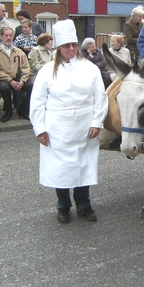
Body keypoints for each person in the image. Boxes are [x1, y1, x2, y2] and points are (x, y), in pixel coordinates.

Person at [30, 19, 108, 224]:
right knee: (61, 168)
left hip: (84, 125)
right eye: (66, 46)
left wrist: (96, 122)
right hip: (57, 127)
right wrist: (40, 128)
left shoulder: (90, 68)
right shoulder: (47, 71)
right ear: (58, 46)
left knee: (84, 165)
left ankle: (84, 204)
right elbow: (37, 102)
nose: (71, 49)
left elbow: (100, 96)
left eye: (74, 44)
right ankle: (63, 205)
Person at [0, 26, 33, 121]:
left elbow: (26, 67)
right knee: (3, 87)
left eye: (10, 35)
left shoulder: (19, 52)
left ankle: (23, 110)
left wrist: (22, 80)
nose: (9, 37)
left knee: (32, 86)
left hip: (19, 78)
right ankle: (8, 111)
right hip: (5, 79)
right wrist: (10, 81)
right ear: (1, 37)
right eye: (6, 35)